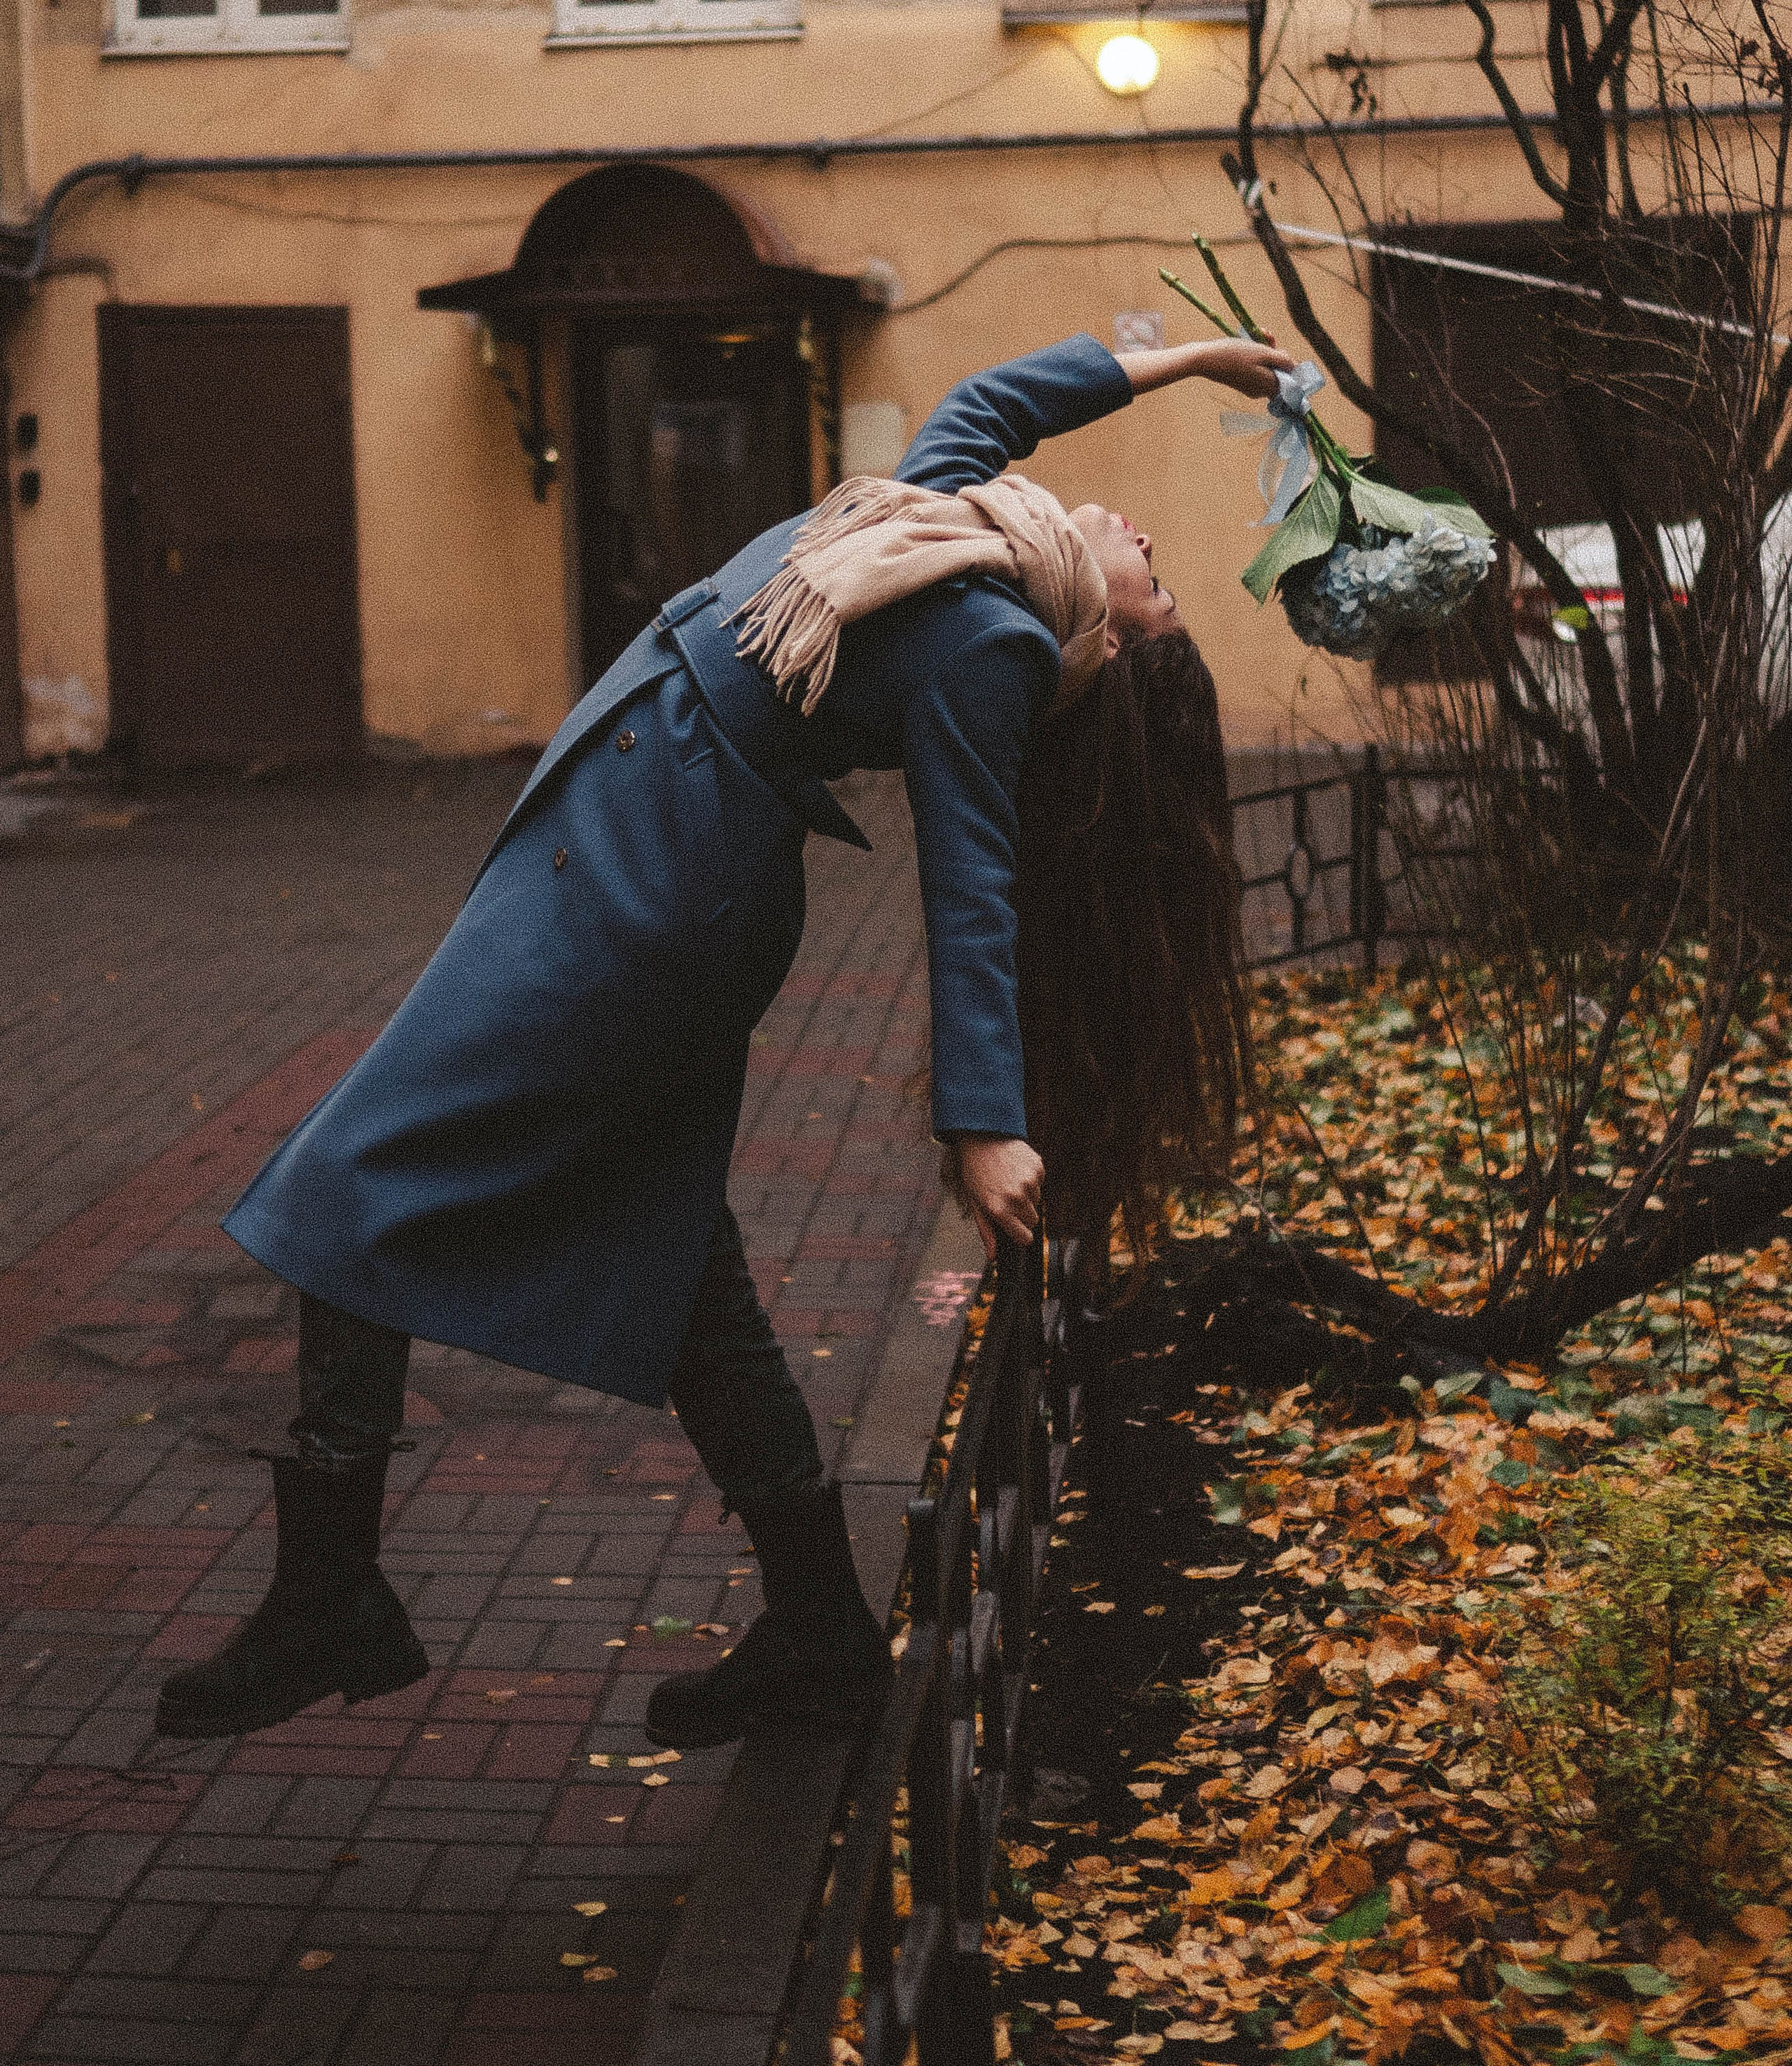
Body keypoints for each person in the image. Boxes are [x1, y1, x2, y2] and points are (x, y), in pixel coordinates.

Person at [155, 325, 1285, 1752]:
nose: (1139, 535)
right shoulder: (949, 527)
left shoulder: (994, 646)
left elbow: (970, 880)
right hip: (633, 853)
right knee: (684, 1274)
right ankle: (818, 1627)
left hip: (650, 898)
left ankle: (327, 1593)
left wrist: (981, 1119)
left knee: (348, 1181)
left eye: (1159, 584)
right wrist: (1182, 360)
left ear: (1108, 649)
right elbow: (993, 400)